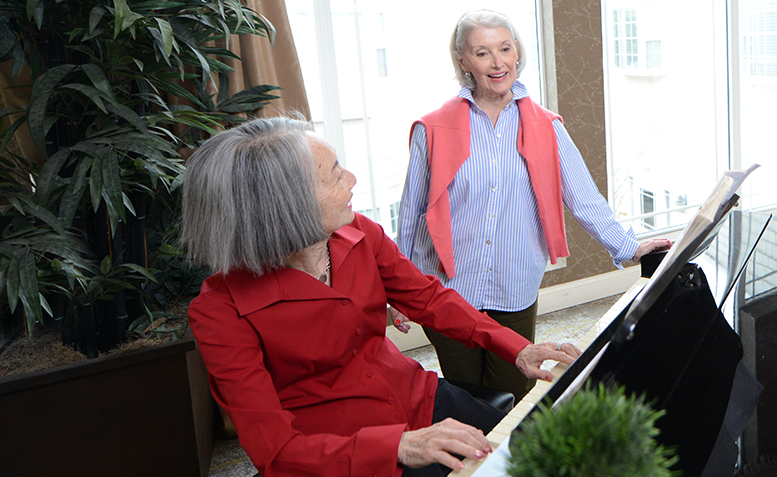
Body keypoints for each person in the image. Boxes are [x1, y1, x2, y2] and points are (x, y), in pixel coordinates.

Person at [180, 116, 581, 477]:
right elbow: (277, 452)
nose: (352, 179)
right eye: (335, 175)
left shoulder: (361, 234)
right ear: (285, 208)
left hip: (417, 397)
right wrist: (401, 445)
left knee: (540, 453)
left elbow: (430, 298)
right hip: (346, 453)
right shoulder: (220, 312)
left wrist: (517, 348)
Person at [395, 9, 672, 402]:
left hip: (514, 285)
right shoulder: (432, 129)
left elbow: (584, 197)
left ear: (517, 53)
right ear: (463, 61)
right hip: (447, 291)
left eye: (505, 49)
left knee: (513, 392)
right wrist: (401, 291)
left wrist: (630, 247)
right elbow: (412, 218)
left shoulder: (547, 126)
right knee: (463, 394)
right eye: (483, 52)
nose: (497, 62)